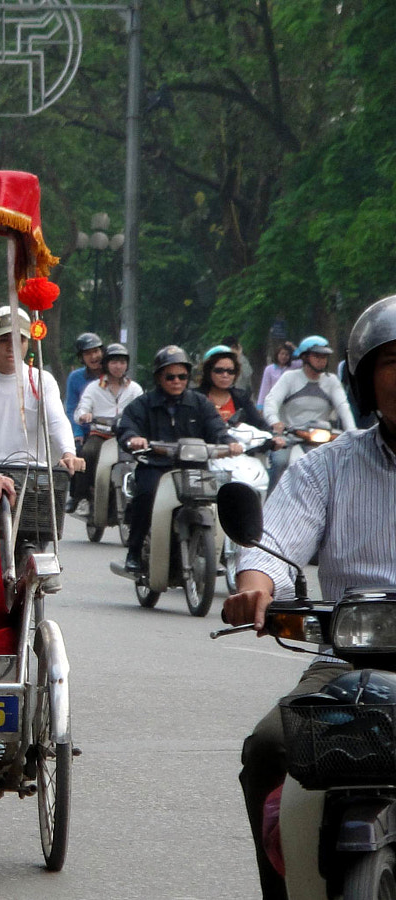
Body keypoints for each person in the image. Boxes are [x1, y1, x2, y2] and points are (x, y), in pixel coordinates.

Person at [223, 295, 396, 900]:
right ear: (366, 379)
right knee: (269, 748)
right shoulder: (326, 468)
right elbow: (272, 542)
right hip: (346, 666)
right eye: (393, 360)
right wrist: (256, 587)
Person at [116, 345, 240, 573]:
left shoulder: (200, 403)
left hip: (194, 468)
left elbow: (216, 428)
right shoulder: (143, 404)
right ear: (159, 377)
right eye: (170, 376)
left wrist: (229, 442)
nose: (176, 381)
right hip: (156, 466)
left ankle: (218, 552)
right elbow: (127, 427)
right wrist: (134, 438)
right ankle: (134, 552)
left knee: (220, 499)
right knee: (145, 496)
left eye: (182, 376)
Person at [0, 305, 83, 474]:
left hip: (32, 473)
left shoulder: (42, 380)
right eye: (4, 340)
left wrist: (68, 453)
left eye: (20, 340)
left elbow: (56, 421)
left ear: (28, 343)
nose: (12, 347)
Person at [263, 335, 358, 487]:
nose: (321, 360)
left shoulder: (331, 381)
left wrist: (352, 432)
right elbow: (271, 401)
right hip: (289, 435)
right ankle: (270, 503)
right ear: (305, 357)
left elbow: (343, 407)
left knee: (340, 465)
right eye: (317, 356)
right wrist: (275, 421)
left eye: (324, 356)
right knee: (280, 461)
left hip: (320, 435)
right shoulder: (290, 378)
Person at [73, 342, 143, 500]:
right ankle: (82, 497)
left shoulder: (135, 389)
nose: (118, 366)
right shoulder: (93, 388)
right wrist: (85, 415)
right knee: (87, 453)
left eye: (122, 362)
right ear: (106, 364)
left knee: (144, 460)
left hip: (126, 436)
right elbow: (80, 410)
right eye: (114, 362)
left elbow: (142, 413)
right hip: (100, 435)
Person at [199, 345, 272, 432]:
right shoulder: (195, 397)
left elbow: (260, 424)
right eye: (219, 371)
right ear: (208, 371)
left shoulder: (241, 397)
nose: (225, 375)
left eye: (230, 371)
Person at [64, 332, 106, 444]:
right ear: (81, 357)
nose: (93, 357)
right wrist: (78, 433)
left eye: (96, 351)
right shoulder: (75, 378)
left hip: (110, 431)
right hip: (87, 432)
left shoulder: (112, 375)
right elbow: (71, 408)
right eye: (87, 353)